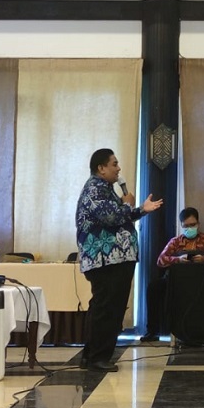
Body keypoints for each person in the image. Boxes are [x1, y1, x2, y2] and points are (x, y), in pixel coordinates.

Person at [75, 147, 163, 371]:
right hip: (106, 259)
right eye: (114, 164)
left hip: (115, 259)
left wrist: (141, 209)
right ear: (101, 168)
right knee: (107, 308)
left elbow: (119, 215)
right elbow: (111, 216)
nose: (119, 168)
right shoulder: (95, 189)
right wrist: (128, 204)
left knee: (105, 306)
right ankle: (98, 357)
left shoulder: (106, 189)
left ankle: (92, 355)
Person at [141, 206, 204, 342]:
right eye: (186, 226)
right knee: (154, 287)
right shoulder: (175, 242)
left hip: (201, 282)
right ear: (181, 225)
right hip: (177, 281)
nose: (189, 228)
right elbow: (160, 260)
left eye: (192, 225)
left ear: (198, 224)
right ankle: (152, 331)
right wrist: (178, 259)